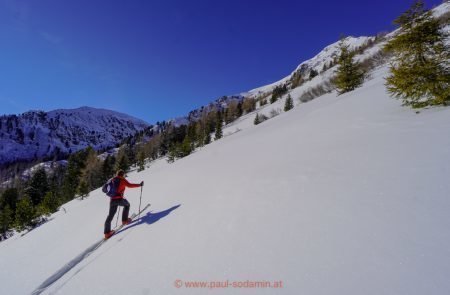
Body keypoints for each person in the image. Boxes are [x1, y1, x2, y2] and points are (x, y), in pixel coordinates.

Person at [104, 170, 144, 239]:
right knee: (127, 205)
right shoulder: (122, 180)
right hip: (119, 199)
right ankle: (124, 220)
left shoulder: (113, 179)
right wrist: (139, 185)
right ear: (122, 175)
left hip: (112, 200)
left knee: (110, 216)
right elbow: (130, 185)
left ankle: (107, 233)